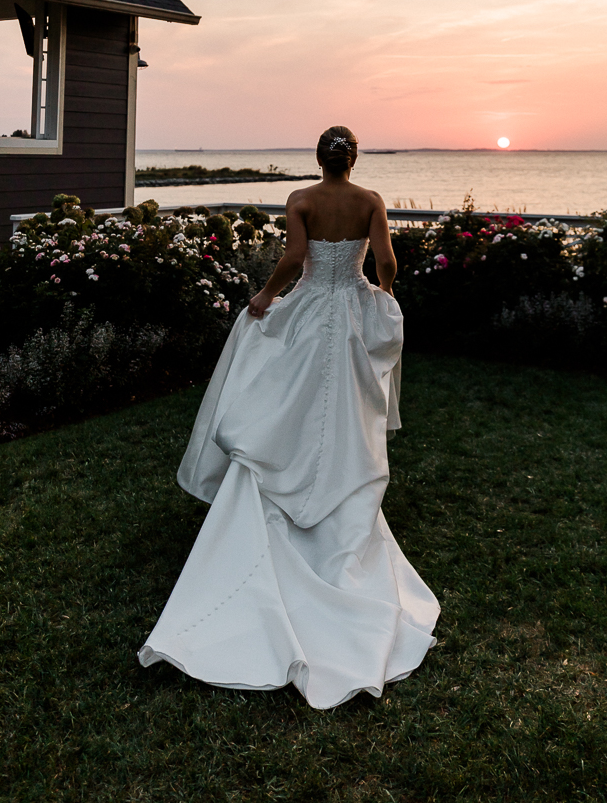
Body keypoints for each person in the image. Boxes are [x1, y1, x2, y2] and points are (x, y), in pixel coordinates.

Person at [139, 125, 440, 709]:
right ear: (353, 159)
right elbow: (386, 261)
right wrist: (380, 294)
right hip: (352, 309)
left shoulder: (300, 199)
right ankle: (340, 497)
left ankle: (288, 480)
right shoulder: (370, 202)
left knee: (292, 401)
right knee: (349, 411)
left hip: (310, 309)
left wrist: (265, 297)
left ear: (318, 159)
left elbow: (296, 258)